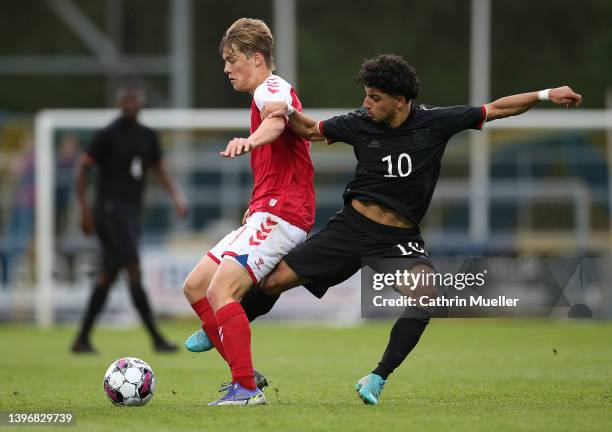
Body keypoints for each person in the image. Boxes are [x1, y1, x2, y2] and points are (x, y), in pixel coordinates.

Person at [186, 54, 582, 404]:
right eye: (366, 96)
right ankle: (216, 328)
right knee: (270, 283)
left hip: (396, 241)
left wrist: (546, 94)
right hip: (349, 230)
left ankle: (377, 377)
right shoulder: (359, 123)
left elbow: (494, 108)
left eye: (374, 98)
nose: (366, 104)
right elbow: (308, 131)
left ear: (401, 101)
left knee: (427, 295)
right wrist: (283, 111)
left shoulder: (435, 122)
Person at [180, 18, 315, 406]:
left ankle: (245, 389)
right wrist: (255, 201)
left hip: (283, 214)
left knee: (221, 289)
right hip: (266, 210)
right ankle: (244, 374)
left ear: (256, 59)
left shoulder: (271, 88)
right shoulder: (261, 90)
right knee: (195, 286)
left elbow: (277, 119)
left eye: (231, 59)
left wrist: (250, 140)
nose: (226, 69)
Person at [71, 87, 188, 354]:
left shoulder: (148, 136)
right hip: (108, 212)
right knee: (133, 270)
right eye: (125, 100)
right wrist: (85, 211)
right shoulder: (106, 135)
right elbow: (82, 171)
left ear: (141, 103)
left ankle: (82, 339)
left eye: (134, 99)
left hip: (131, 215)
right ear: (118, 103)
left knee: (107, 275)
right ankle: (157, 338)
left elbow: (159, 170)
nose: (130, 104)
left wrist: (177, 197)